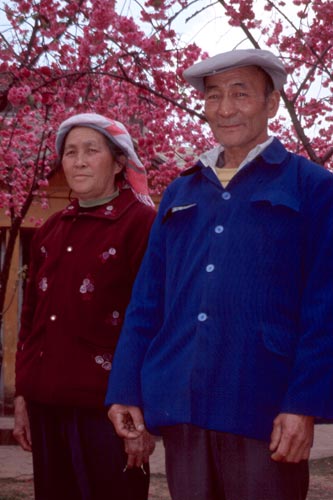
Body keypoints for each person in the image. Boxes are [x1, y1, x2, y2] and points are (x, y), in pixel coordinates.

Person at [106, 49, 333, 500]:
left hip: (263, 407)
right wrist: (125, 387)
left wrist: (303, 403)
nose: (225, 108)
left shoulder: (313, 187)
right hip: (182, 401)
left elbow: (325, 306)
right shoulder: (181, 190)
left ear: (271, 104)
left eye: (240, 93)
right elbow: (148, 301)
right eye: (214, 96)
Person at [13, 113, 156, 500]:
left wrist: (142, 410)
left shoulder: (142, 225)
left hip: (111, 410)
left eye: (91, 151)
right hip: (47, 404)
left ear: (119, 162)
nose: (78, 161)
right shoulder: (49, 230)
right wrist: (24, 394)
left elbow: (154, 320)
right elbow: (31, 321)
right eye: (70, 152)